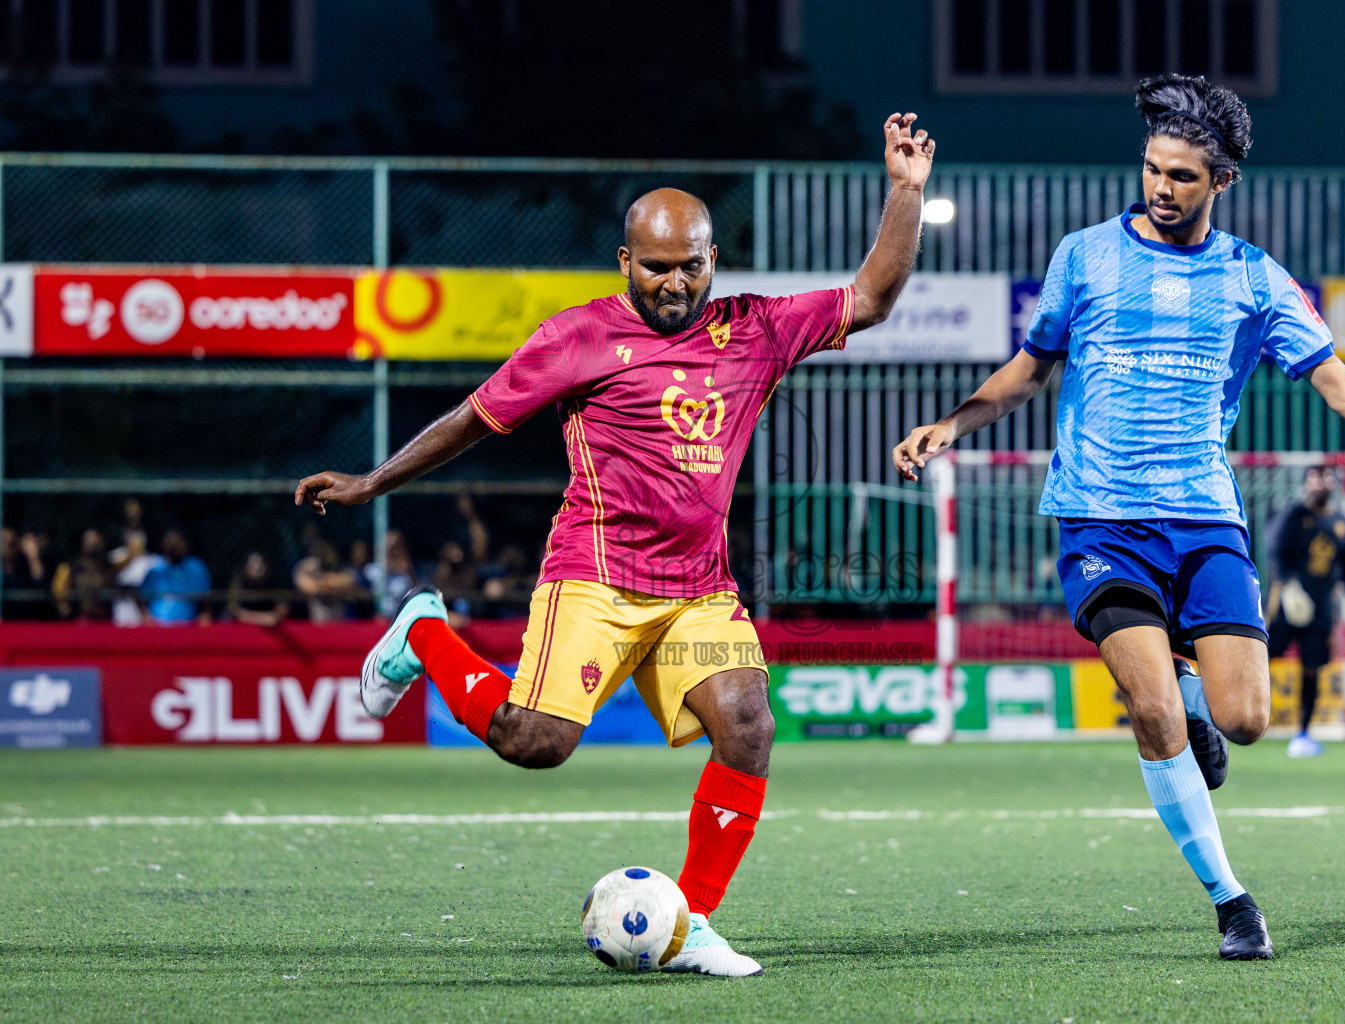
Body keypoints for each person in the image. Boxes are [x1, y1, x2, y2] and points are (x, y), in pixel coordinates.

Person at [893, 75, 1345, 962]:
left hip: (1203, 520)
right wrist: (952, 424)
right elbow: (1028, 371)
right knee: (1148, 709)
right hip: (1100, 520)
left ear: (1222, 181)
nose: (1160, 187)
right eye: (1153, 168)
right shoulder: (1084, 255)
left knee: (1247, 721)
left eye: (1183, 176)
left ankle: (1198, 693)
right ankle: (1232, 900)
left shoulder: (1253, 278)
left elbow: (1342, 389)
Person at [296, 112, 936, 977]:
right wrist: (375, 482)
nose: (675, 283)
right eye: (658, 267)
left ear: (714, 260)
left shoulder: (758, 327)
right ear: (626, 263)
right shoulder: (578, 337)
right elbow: (472, 421)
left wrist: (904, 192)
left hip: (698, 590)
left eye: (691, 266)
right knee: (536, 742)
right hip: (595, 576)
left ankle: (691, 923)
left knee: (748, 726)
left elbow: (873, 297)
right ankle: (421, 635)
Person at [1265, 465, 1345, 758]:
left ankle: (1303, 733)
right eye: (1315, 478)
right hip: (1290, 603)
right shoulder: (1294, 515)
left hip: (1320, 608)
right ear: (1307, 483)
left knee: (1312, 669)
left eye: (1325, 478)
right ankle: (1226, 718)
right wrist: (1286, 587)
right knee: (1261, 657)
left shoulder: (1340, 521)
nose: (1320, 484)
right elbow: (1274, 551)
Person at [139, 529, 212, 625]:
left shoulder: (195, 567)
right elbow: (140, 597)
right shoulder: (155, 569)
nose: (174, 547)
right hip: (158, 628)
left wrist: (204, 617)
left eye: (177, 543)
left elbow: (207, 600)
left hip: (189, 627)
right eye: (170, 543)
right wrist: (147, 617)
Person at [51, 528, 115, 621]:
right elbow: (58, 593)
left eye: (96, 541)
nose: (93, 544)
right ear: (83, 543)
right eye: (89, 541)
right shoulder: (70, 567)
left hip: (105, 619)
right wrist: (64, 608)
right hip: (80, 620)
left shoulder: (108, 567)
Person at [226, 551, 290, 627]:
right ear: (246, 567)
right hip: (244, 627)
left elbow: (282, 610)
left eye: (260, 564)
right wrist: (262, 618)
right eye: (252, 565)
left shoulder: (276, 582)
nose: (257, 567)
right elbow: (233, 609)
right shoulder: (238, 582)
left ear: (266, 566)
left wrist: (272, 617)